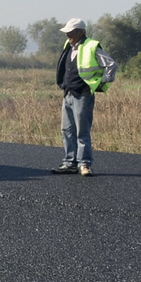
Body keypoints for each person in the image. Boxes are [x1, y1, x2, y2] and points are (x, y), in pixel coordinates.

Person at [52, 18, 117, 176]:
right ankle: (70, 163)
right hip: (68, 93)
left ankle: (84, 164)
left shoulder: (91, 46)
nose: (68, 34)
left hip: (83, 95)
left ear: (80, 32)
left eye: (71, 31)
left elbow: (111, 64)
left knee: (82, 131)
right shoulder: (69, 46)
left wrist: (101, 82)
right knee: (66, 130)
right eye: (67, 31)